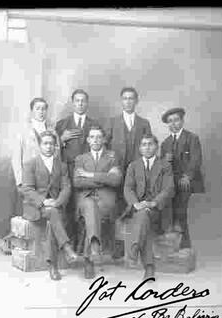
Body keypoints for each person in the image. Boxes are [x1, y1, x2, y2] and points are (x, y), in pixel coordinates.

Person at [21, 131, 77, 281]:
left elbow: (67, 188)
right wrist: (43, 201)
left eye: (51, 143)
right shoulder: (30, 164)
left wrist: (57, 202)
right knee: (53, 214)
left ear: (56, 146)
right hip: (34, 207)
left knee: (54, 216)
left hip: (55, 207)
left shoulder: (62, 166)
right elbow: (26, 189)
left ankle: (52, 265)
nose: (48, 146)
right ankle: (66, 248)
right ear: (40, 146)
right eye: (45, 143)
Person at [121, 134, 175, 279]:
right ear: (140, 148)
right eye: (144, 144)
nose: (147, 147)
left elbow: (169, 189)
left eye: (150, 144)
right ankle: (149, 268)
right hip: (138, 209)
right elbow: (128, 188)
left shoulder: (165, 165)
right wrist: (136, 204)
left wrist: (153, 203)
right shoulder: (133, 166)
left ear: (156, 147)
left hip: (158, 210)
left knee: (145, 218)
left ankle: (134, 250)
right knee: (144, 218)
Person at [73, 126, 122, 279]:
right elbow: (77, 182)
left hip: (105, 201)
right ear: (88, 140)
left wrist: (90, 175)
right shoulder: (80, 158)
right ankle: (94, 249)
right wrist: (104, 178)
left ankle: (89, 259)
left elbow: (116, 180)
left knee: (91, 210)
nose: (95, 140)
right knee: (89, 206)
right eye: (92, 137)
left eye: (99, 137)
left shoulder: (112, 157)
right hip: (85, 200)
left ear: (104, 139)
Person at [55, 89, 99, 249]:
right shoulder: (62, 124)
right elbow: (51, 149)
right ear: (72, 103)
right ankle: (68, 243)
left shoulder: (94, 125)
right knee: (67, 206)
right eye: (77, 101)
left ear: (87, 103)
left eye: (83, 101)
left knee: (84, 205)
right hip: (67, 170)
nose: (80, 103)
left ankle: (83, 245)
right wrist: (61, 139)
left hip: (85, 173)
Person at [160, 107, 205, 249]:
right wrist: (164, 161)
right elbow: (162, 168)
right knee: (163, 204)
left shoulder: (192, 138)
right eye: (170, 121)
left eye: (176, 120)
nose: (173, 124)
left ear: (182, 121)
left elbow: (196, 160)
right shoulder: (165, 143)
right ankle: (171, 243)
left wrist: (187, 176)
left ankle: (185, 245)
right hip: (172, 183)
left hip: (188, 181)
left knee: (180, 209)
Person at [104, 87, 152, 216]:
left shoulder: (144, 123)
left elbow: (150, 147)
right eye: (125, 98)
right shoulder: (112, 122)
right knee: (116, 200)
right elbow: (104, 144)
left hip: (137, 168)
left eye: (131, 98)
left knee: (135, 198)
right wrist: (110, 163)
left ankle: (133, 232)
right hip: (117, 168)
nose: (128, 101)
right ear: (121, 101)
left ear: (136, 101)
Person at [12, 97, 57, 189]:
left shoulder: (52, 131)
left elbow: (56, 156)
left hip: (49, 181)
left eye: (43, 109)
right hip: (29, 179)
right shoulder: (22, 132)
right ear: (32, 111)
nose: (41, 111)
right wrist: (20, 181)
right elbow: (16, 158)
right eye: (38, 109)